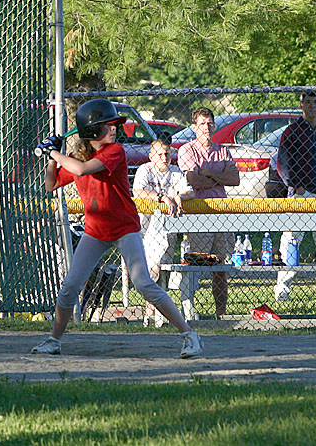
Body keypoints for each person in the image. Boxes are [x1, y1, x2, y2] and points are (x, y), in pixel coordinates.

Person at [30, 99, 202, 358]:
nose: (114, 129)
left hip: (124, 228)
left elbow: (82, 169)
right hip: (95, 231)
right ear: (91, 131)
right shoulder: (77, 156)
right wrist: (52, 159)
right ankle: (54, 340)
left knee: (143, 283)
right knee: (70, 287)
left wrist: (54, 152)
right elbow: (51, 184)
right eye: (107, 125)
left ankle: (189, 334)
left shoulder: (114, 152)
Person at [275, 90, 316, 301]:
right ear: (301, 106)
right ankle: (283, 289)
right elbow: (283, 163)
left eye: (315, 102)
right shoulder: (292, 131)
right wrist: (294, 185)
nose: (312, 106)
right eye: (308, 102)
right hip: (300, 194)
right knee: (292, 240)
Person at [177, 107, 240, 316]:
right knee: (196, 265)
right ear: (194, 127)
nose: (207, 127)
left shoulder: (222, 150)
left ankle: (220, 314)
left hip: (222, 214)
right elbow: (194, 180)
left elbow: (235, 179)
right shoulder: (187, 150)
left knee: (221, 268)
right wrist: (218, 176)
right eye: (202, 124)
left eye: (210, 123)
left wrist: (209, 172)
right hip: (199, 214)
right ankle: (189, 313)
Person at [132, 138, 194, 326]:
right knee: (150, 270)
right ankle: (151, 312)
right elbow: (138, 191)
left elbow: (190, 192)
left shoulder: (175, 172)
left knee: (161, 270)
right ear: (151, 156)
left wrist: (178, 196)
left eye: (167, 153)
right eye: (159, 154)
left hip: (166, 232)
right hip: (144, 228)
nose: (164, 157)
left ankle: (156, 314)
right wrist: (162, 197)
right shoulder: (145, 170)